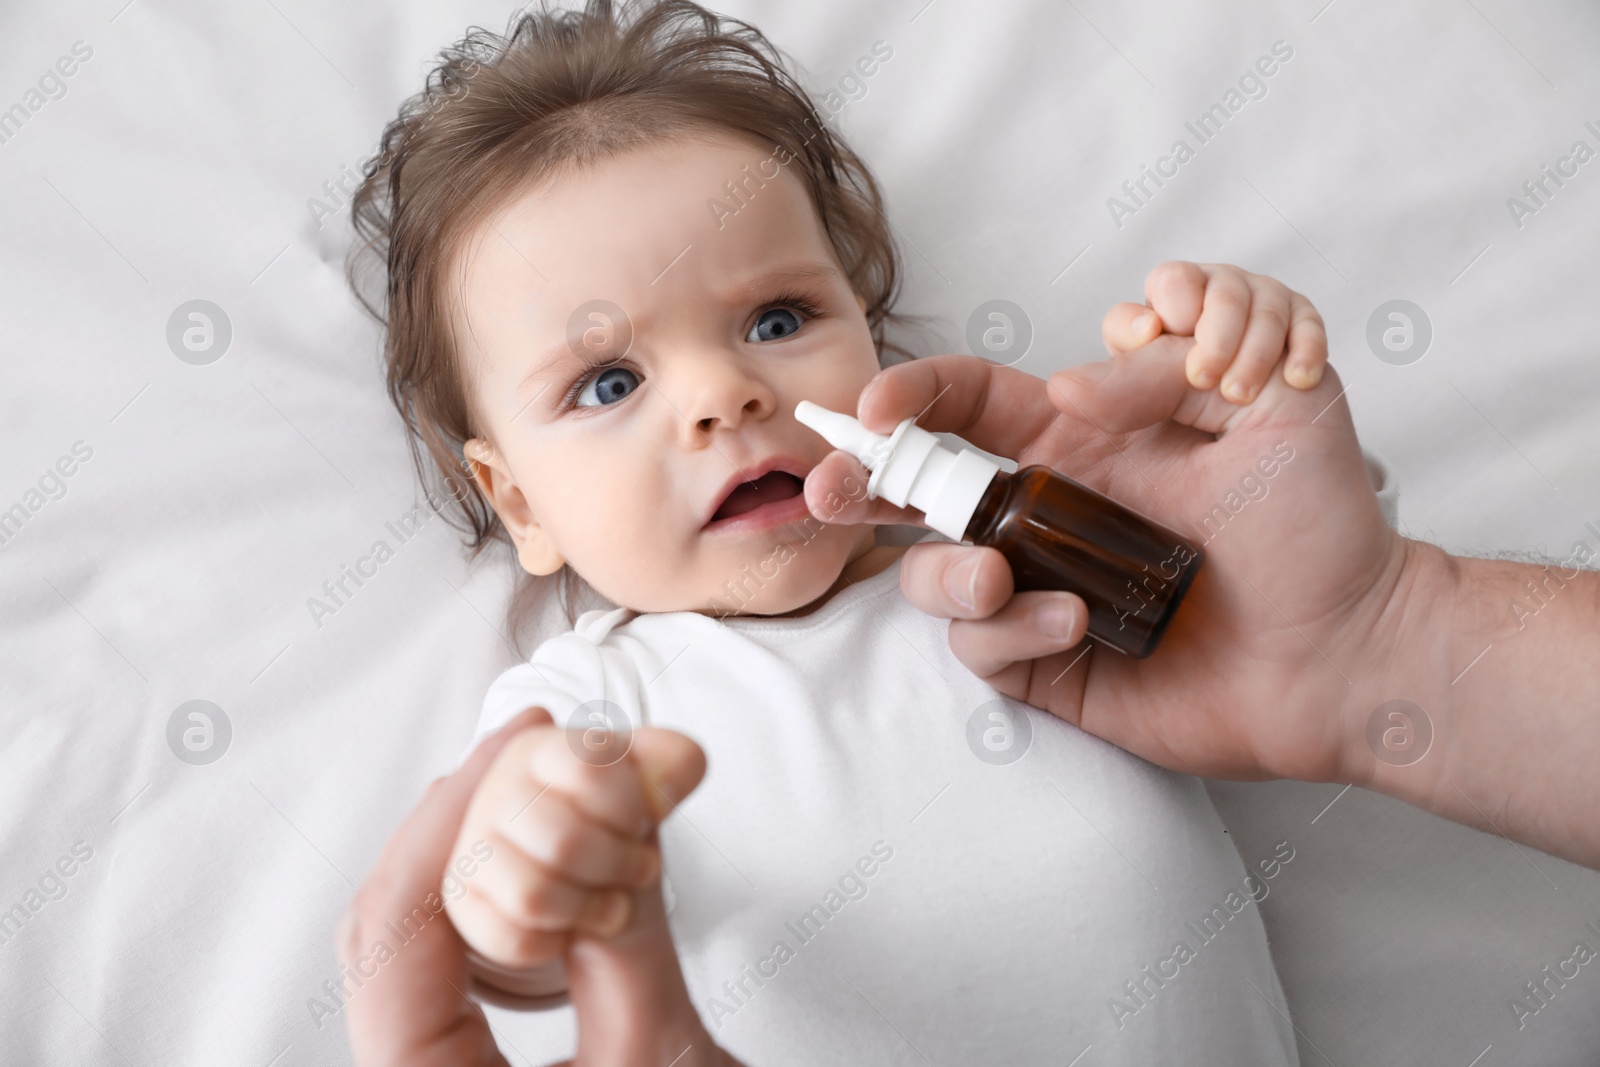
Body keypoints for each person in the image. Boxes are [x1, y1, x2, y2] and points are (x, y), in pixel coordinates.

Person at [804, 264, 1600, 875]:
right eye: (666, 378)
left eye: (777, 319)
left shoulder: (1028, 512)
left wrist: (1369, 640)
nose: (720, 396)